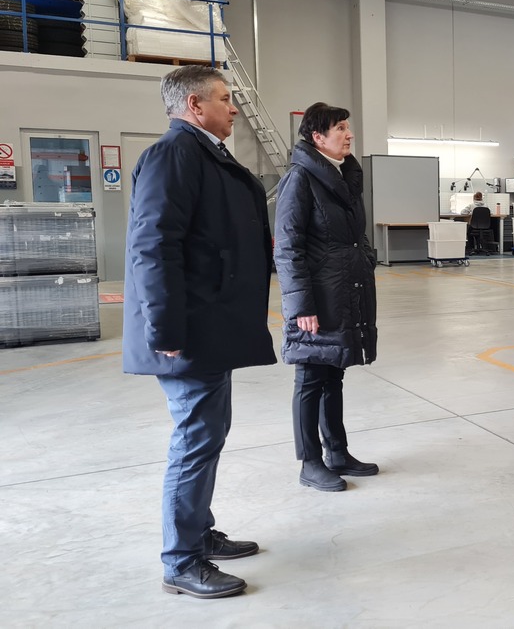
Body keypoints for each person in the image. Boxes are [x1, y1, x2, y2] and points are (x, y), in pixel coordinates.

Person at [123, 65, 276, 598]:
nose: (233, 108)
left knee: (208, 433)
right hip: (185, 331)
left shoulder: (204, 153)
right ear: (194, 105)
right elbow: (153, 246)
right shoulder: (174, 155)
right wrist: (164, 326)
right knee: (195, 439)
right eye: (224, 98)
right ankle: (181, 561)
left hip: (208, 325)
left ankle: (198, 533)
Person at [274, 103, 379, 493]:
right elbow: (288, 248)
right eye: (340, 128)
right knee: (310, 378)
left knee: (334, 373)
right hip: (316, 299)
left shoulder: (343, 177)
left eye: (348, 127)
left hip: (342, 291)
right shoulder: (300, 179)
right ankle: (310, 463)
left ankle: (337, 452)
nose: (349, 134)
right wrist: (301, 304)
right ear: (317, 137)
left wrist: (365, 259)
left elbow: (353, 236)